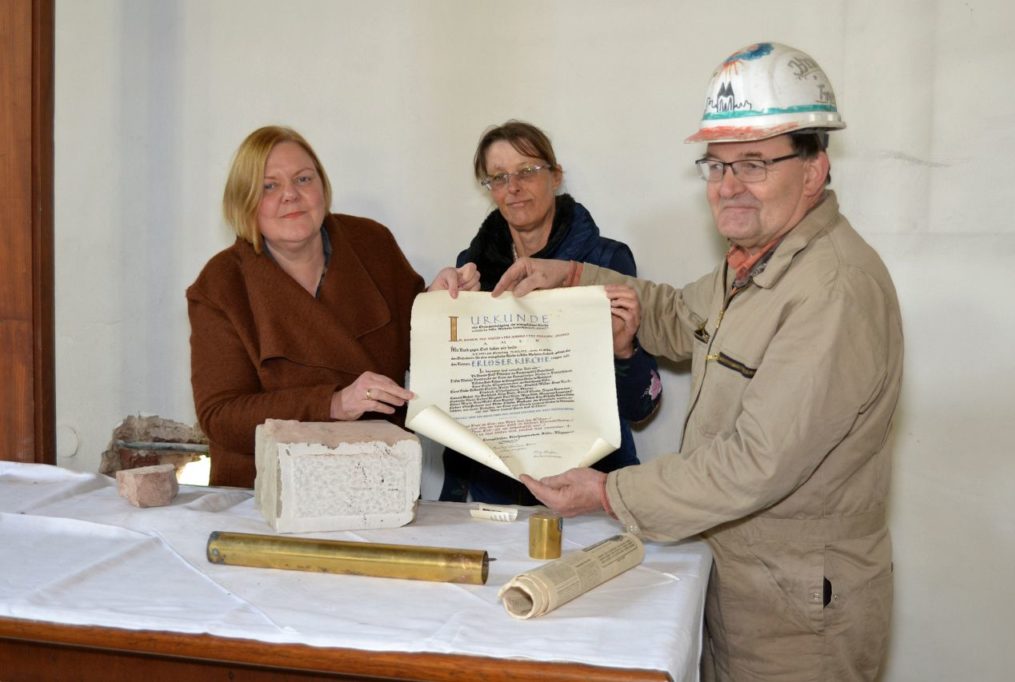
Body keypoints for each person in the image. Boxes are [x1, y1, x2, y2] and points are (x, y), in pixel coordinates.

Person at [494, 43, 902, 681]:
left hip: (795, 616)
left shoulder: (833, 290)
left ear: (814, 168)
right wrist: (569, 274)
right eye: (716, 166)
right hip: (740, 585)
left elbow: (755, 463)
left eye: (754, 163)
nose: (729, 186)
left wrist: (608, 491)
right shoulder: (757, 263)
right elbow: (674, 317)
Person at [187, 126, 479, 487]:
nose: (291, 195)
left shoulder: (372, 243)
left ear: (321, 187)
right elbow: (220, 416)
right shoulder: (221, 284)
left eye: (303, 179)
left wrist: (440, 305)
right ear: (243, 201)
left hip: (377, 482)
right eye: (269, 186)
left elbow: (415, 349)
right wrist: (334, 404)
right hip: (263, 493)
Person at [439, 120, 662, 505]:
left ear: (555, 176)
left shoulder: (604, 260)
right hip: (490, 491)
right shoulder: (470, 268)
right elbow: (452, 396)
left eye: (527, 172)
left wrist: (624, 351)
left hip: (587, 486)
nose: (513, 188)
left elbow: (641, 405)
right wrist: (438, 311)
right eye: (499, 177)